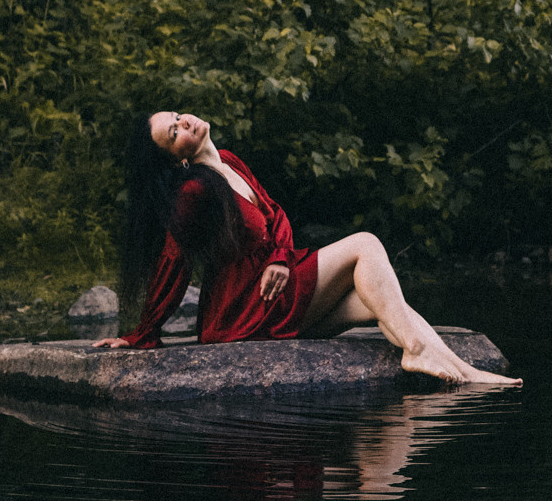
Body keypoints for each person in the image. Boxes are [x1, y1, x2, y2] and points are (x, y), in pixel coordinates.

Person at [93, 110, 521, 387]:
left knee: (376, 299)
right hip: (247, 306)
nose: (184, 122)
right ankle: (419, 352)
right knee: (365, 245)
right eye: (174, 132)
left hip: (277, 286)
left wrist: (280, 258)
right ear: (178, 159)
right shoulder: (192, 190)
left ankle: (464, 374)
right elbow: (174, 259)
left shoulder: (229, 161)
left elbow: (276, 215)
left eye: (177, 115)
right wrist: (143, 333)